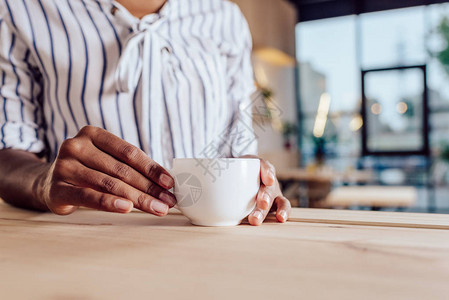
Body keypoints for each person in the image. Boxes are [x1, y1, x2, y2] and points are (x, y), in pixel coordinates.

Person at [0, 0, 291, 225]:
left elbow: (238, 146)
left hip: (204, 246)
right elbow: (7, 152)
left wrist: (256, 182)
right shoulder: (22, 10)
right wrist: (44, 181)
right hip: (83, 241)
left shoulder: (226, 18)